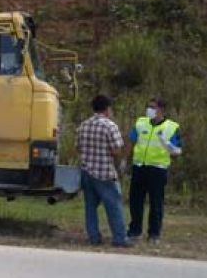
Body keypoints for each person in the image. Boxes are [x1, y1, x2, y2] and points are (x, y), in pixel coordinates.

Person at [76, 95, 131, 247]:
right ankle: (120, 238)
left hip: (87, 171)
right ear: (107, 109)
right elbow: (116, 150)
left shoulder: (83, 125)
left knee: (90, 207)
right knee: (113, 205)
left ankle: (94, 237)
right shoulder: (109, 126)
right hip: (105, 172)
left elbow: (78, 148)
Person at [127, 98, 182, 245]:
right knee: (135, 201)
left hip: (157, 169)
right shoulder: (141, 123)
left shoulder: (171, 127)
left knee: (156, 203)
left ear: (161, 110)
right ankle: (134, 231)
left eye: (153, 107)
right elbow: (132, 141)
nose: (149, 110)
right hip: (139, 167)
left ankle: (154, 234)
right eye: (148, 106)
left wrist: (167, 144)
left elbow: (177, 151)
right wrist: (125, 161)